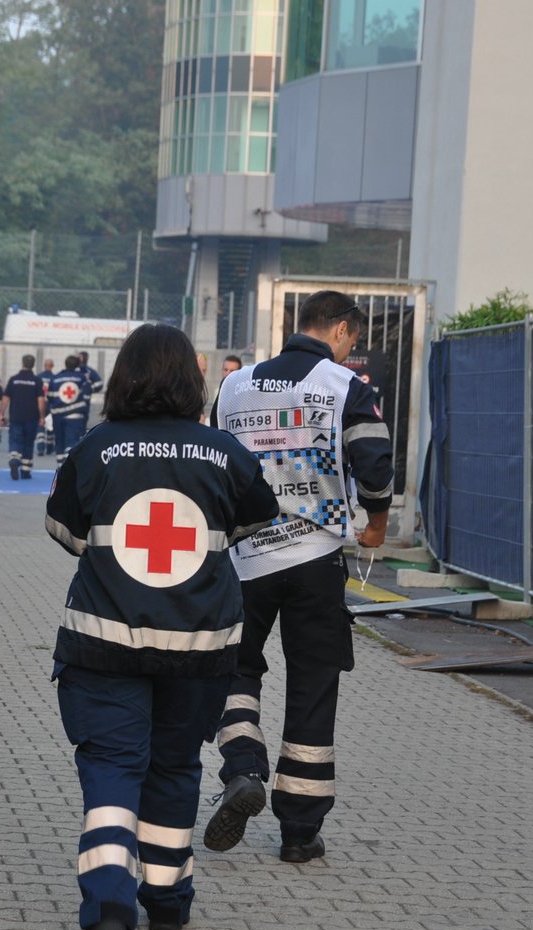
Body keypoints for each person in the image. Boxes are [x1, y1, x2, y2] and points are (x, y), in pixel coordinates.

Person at [46, 324, 278, 930]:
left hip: (102, 646)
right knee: (175, 767)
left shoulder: (97, 448)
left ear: (123, 378)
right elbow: (256, 520)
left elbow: (62, 529)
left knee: (112, 770)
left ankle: (108, 907)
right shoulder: (225, 453)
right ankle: (169, 900)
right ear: (193, 381)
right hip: (200, 649)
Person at [206, 290, 392, 864]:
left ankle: (242, 766)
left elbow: (215, 455)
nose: (351, 349)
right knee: (313, 683)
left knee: (233, 666)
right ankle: (299, 833)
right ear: (339, 329)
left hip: (244, 557)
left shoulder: (235, 386)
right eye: (353, 339)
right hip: (315, 557)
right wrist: (377, 524)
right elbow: (376, 464)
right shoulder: (343, 387)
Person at [0, 353, 47, 479]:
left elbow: (5, 398)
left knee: (15, 439)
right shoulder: (37, 380)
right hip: (32, 417)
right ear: (33, 365)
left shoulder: (13, 379)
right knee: (28, 443)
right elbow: (41, 401)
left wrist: (1, 414)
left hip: (16, 416)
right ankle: (25, 471)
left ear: (22, 363)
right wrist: (42, 416)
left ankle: (14, 460)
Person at [48, 354, 91, 460]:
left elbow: (50, 397)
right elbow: (86, 395)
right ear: (77, 365)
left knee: (60, 443)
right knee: (72, 442)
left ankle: (60, 468)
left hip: (57, 416)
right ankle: (69, 468)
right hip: (75, 415)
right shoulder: (81, 378)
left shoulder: (55, 378)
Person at [208, 354, 245, 425]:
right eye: (225, 370)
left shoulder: (243, 394)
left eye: (232, 371)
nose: (228, 373)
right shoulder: (218, 391)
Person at [37, 357, 57, 455]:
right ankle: (49, 448)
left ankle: (40, 448)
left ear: (44, 365)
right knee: (50, 427)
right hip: (50, 405)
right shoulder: (55, 378)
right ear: (52, 366)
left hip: (40, 404)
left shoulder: (38, 377)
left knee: (40, 426)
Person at [77, 349, 103, 425]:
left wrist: (90, 389)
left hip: (80, 400)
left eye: (80, 357)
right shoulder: (74, 370)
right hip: (79, 400)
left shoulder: (88, 371)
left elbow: (99, 384)